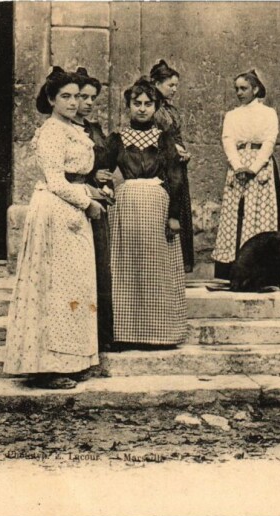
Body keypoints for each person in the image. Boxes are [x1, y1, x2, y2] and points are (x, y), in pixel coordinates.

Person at [4, 67, 105, 389]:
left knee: (74, 288)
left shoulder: (73, 130)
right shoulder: (51, 131)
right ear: (51, 99)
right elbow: (56, 181)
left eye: (77, 96)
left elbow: (76, 178)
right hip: (55, 211)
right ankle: (47, 365)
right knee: (56, 288)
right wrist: (87, 202)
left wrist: (89, 193)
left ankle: (72, 360)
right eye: (66, 96)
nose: (74, 102)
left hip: (71, 210)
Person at [105, 77, 187, 349]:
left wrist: (173, 215)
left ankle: (159, 332)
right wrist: (103, 184)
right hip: (126, 206)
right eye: (136, 103)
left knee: (155, 267)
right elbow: (101, 169)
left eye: (148, 104)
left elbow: (175, 177)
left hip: (156, 205)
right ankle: (125, 332)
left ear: (156, 106)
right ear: (128, 105)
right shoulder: (116, 139)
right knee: (126, 268)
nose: (141, 109)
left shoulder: (164, 139)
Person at [211, 69, 280, 280]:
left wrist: (255, 167)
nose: (239, 93)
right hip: (238, 165)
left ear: (256, 89)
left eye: (244, 88)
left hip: (260, 167)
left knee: (258, 213)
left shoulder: (269, 113)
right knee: (235, 214)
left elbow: (270, 140)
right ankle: (231, 268)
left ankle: (259, 269)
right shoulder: (232, 115)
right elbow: (228, 140)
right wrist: (237, 165)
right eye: (237, 89)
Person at [72, 67, 115, 352]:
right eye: (82, 97)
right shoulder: (65, 129)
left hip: (98, 203)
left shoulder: (96, 130)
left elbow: (104, 164)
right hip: (76, 202)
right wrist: (90, 182)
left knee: (101, 267)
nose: (87, 103)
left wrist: (105, 177)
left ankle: (102, 336)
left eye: (91, 98)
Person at [151, 59, 195, 273]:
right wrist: (174, 149)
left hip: (176, 164)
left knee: (179, 207)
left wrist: (183, 151)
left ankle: (176, 266)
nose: (175, 89)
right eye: (171, 85)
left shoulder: (169, 109)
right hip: (162, 165)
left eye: (176, 85)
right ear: (157, 84)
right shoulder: (150, 108)